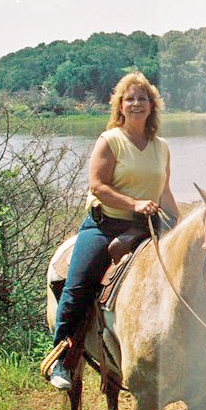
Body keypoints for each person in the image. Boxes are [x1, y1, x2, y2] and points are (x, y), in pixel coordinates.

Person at [49, 72, 180, 390]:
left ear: (152, 105)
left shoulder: (161, 147)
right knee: (79, 283)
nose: (137, 104)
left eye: (143, 98)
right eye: (130, 98)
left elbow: (164, 192)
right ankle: (62, 359)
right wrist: (134, 203)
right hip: (105, 225)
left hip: (147, 226)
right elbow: (98, 186)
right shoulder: (110, 140)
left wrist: (178, 222)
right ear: (120, 105)